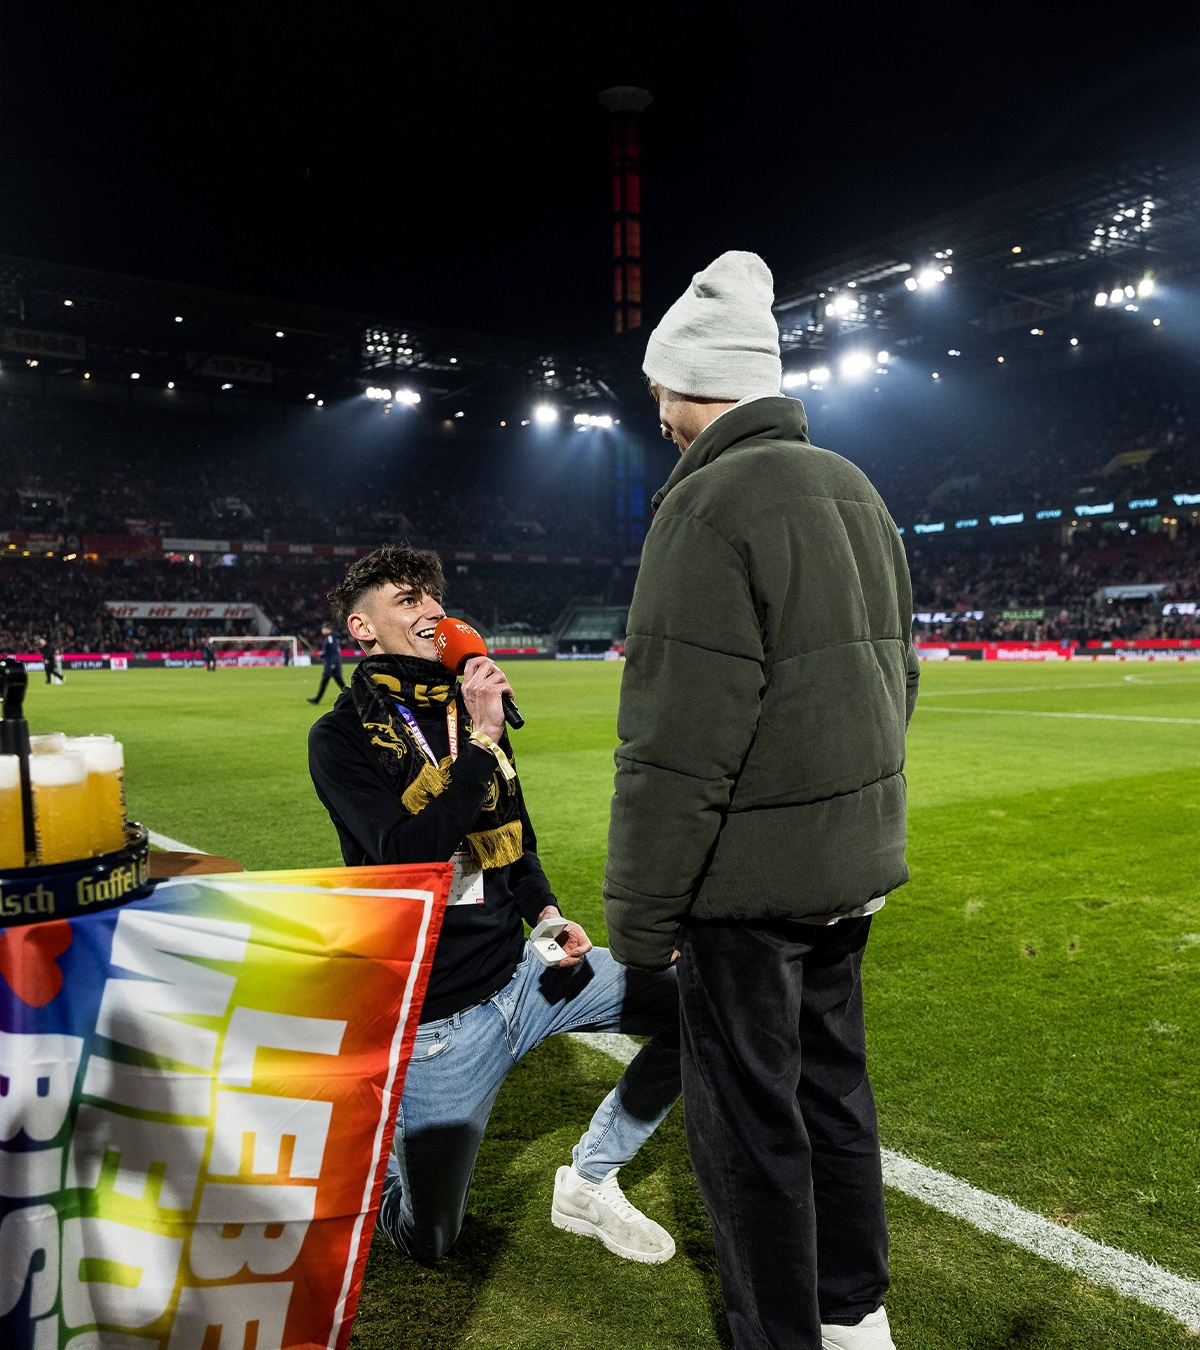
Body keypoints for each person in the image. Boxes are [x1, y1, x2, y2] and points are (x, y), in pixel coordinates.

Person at [603, 252, 920, 1350]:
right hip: (851, 866)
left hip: (747, 891)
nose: (655, 410)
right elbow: (899, 683)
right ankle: (853, 1315)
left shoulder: (705, 509)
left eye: (660, 388)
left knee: (749, 1124)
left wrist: (644, 924)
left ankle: (779, 1332)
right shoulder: (855, 486)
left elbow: (675, 748)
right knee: (834, 1092)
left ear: (697, 383)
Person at [308, 543, 681, 1265]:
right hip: (441, 1018)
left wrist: (544, 913)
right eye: (408, 599)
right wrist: (480, 740)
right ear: (362, 628)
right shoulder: (342, 737)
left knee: (698, 1006)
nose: (432, 610)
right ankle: (375, 1152)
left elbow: (517, 840)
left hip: (526, 975)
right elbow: (405, 856)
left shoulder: (466, 712)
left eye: (434, 597)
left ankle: (590, 1180)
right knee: (430, 1238)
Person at [306, 623, 346, 704]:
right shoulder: (331, 637)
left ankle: (317, 700)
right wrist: (322, 656)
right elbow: (331, 651)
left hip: (331, 665)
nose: (322, 630)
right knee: (340, 683)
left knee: (327, 682)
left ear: (328, 629)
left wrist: (333, 664)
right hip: (332, 663)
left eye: (323, 629)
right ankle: (352, 697)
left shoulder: (330, 638)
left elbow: (334, 651)